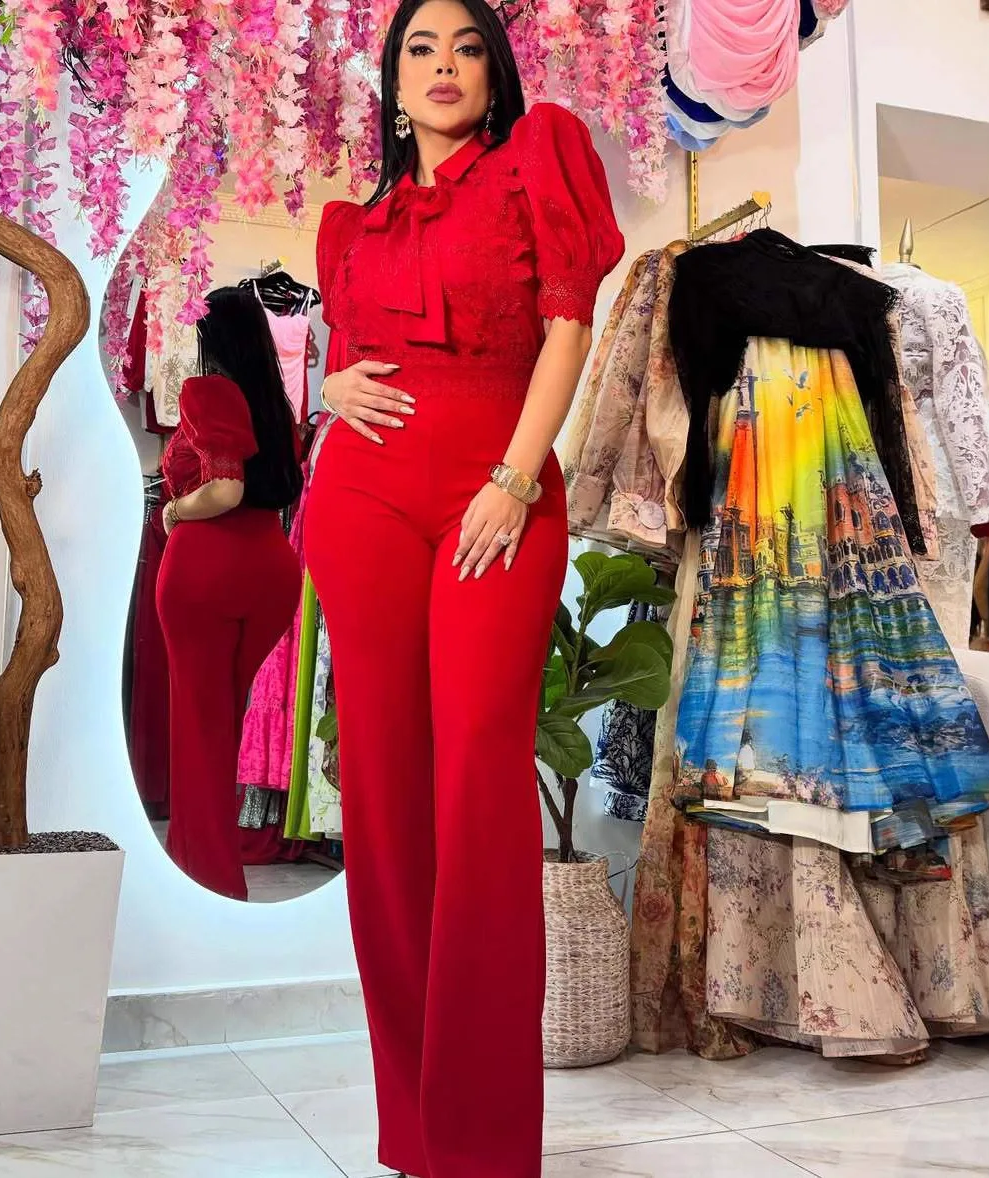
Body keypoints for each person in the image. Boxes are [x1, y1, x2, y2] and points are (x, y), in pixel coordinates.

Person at [303, 1, 624, 1174]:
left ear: (495, 73)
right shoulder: (352, 224)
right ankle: (411, 1128)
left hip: (499, 489)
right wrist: (326, 389)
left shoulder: (539, 157)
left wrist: (516, 475)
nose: (443, 66)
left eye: (467, 47)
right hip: (366, 499)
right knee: (383, 798)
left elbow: (566, 328)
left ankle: (482, 1141)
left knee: (481, 776)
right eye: (420, 50)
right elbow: (349, 357)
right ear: (393, 84)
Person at [156, 286, 304, 901]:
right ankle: (197, 865)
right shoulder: (275, 403)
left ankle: (205, 882)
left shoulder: (208, 391)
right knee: (222, 725)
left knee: (199, 729)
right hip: (270, 569)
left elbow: (224, 489)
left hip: (207, 570)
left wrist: (173, 510)